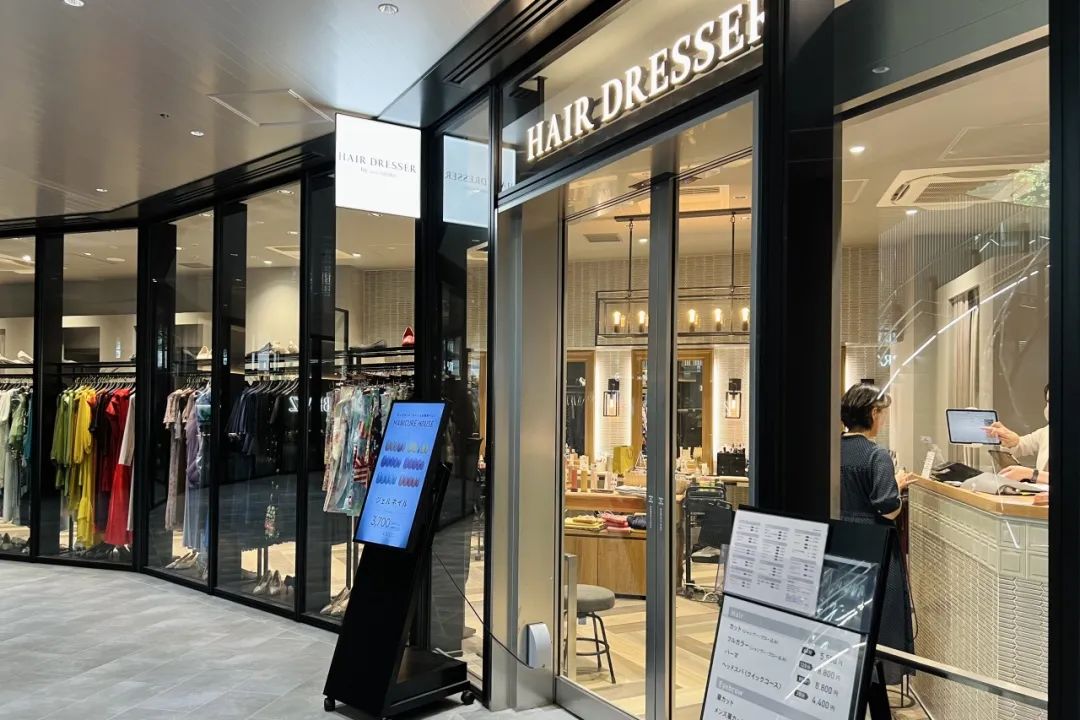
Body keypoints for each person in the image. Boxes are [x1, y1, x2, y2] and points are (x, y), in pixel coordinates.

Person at [840, 383, 915, 685]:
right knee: (881, 620)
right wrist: (896, 484)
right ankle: (874, 687)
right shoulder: (876, 455)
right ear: (873, 413)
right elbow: (888, 507)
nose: (882, 420)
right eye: (882, 413)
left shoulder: (832, 449)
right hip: (876, 546)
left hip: (843, 543)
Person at [985, 383, 1049, 483]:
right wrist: (1012, 442)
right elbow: (1022, 445)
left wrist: (1032, 474)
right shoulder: (1045, 432)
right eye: (1049, 401)